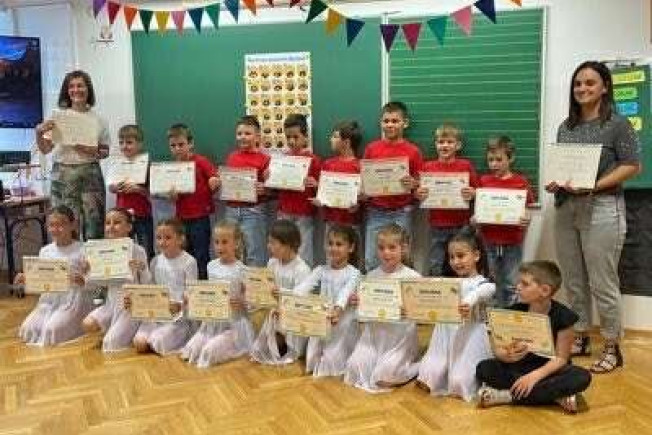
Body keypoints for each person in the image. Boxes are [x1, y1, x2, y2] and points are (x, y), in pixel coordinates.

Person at [545, 61, 641, 373]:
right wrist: (556, 182)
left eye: (590, 83)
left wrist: (594, 185)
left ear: (604, 87)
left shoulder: (617, 124)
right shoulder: (566, 126)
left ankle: (612, 345)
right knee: (573, 278)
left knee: (603, 281)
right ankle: (581, 335)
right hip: (566, 207)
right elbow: (564, 167)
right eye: (578, 84)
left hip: (602, 207)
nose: (582, 89)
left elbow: (632, 165)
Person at [476, 261, 592, 413]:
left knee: (582, 377)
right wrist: (505, 355)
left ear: (544, 290)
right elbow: (499, 349)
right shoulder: (514, 311)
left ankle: (507, 396)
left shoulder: (564, 317)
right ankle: (554, 397)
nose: (518, 287)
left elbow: (561, 359)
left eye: (525, 284)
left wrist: (534, 376)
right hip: (518, 369)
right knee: (484, 368)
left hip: (548, 372)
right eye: (519, 282)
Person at [416, 227, 495, 401]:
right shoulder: (446, 283)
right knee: (429, 374)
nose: (455, 261)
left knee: (460, 382)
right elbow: (424, 289)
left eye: (460, 256)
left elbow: (485, 291)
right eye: (451, 257)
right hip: (443, 337)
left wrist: (469, 301)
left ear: (476, 255)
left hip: (468, 338)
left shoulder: (482, 283)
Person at [345, 223, 421, 393]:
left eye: (392, 247)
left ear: (403, 248)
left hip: (400, 338)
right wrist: (357, 303)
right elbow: (362, 314)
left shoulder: (414, 278)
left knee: (385, 377)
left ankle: (418, 366)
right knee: (354, 368)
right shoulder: (370, 277)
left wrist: (409, 311)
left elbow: (421, 314)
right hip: (374, 336)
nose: (386, 253)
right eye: (381, 248)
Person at [34, 70, 110, 240]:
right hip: (62, 176)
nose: (76, 90)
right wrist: (38, 133)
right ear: (66, 91)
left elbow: (105, 151)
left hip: (90, 174)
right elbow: (46, 149)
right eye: (71, 86)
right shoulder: (57, 117)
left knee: (94, 226)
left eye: (80, 86)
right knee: (64, 226)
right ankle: (68, 258)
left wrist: (91, 150)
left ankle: (93, 258)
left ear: (88, 89)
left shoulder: (99, 119)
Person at [16, 205, 92, 345]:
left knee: (53, 330)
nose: (56, 229)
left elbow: (96, 284)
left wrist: (83, 281)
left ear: (73, 225)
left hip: (74, 299)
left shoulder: (84, 249)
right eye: (52, 225)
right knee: (29, 329)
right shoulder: (45, 251)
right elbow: (42, 281)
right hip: (49, 300)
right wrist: (28, 279)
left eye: (61, 224)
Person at [182, 221, 253, 368]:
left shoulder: (242, 270)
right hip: (213, 322)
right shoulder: (211, 266)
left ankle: (230, 344)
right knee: (191, 350)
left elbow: (250, 300)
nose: (220, 247)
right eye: (216, 242)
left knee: (208, 352)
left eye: (225, 242)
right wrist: (193, 298)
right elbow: (209, 293)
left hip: (234, 323)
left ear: (236, 243)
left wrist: (242, 302)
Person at [363, 101, 423, 271]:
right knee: (371, 260)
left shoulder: (413, 151)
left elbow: (420, 182)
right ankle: (374, 288)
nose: (390, 125)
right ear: (381, 123)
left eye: (395, 121)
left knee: (403, 258)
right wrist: (363, 190)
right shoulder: (371, 149)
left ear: (405, 123)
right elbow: (364, 179)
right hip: (376, 211)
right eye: (386, 121)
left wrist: (414, 183)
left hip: (402, 212)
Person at [294, 225, 361, 377]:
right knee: (312, 360)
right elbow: (302, 288)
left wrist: (337, 310)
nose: (333, 248)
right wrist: (285, 298)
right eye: (330, 243)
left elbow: (345, 293)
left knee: (330, 363)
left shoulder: (354, 273)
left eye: (339, 244)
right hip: (323, 320)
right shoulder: (321, 270)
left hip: (342, 321)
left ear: (350, 248)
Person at [81, 208, 152, 351]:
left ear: (129, 227)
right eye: (108, 223)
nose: (111, 227)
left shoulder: (138, 250)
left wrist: (142, 268)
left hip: (131, 306)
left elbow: (147, 283)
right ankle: (116, 328)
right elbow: (96, 285)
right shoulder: (100, 250)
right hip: (111, 303)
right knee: (87, 324)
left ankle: (136, 327)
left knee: (110, 344)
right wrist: (88, 272)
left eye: (117, 222)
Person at [476, 136, 534, 307]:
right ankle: (494, 314)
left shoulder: (520, 182)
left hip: (512, 240)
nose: (494, 164)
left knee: (511, 281)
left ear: (511, 158)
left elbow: (528, 208)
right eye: (490, 160)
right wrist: (475, 219)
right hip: (489, 239)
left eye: (499, 159)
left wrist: (527, 218)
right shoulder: (483, 181)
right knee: (492, 280)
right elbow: (479, 208)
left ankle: (511, 313)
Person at [415, 123, 478, 276]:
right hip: (437, 224)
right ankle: (436, 289)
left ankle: (463, 289)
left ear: (458, 145)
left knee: (462, 262)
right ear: (435, 144)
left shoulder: (465, 165)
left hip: (461, 224)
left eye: (449, 142)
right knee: (435, 262)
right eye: (441, 142)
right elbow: (417, 192)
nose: (445, 145)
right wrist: (418, 193)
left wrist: (473, 193)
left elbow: (477, 191)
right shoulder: (427, 167)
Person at [130, 218, 198, 354]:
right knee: (139, 343)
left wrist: (180, 305)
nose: (162, 242)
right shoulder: (155, 261)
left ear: (180, 239)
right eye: (159, 238)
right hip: (158, 313)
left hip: (178, 318)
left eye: (167, 238)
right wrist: (143, 270)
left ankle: (182, 335)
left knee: (157, 342)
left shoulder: (189, 261)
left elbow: (192, 293)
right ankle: (157, 335)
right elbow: (151, 287)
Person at [250, 220, 312, 365]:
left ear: (287, 245)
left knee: (277, 333)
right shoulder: (272, 263)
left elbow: (302, 300)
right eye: (269, 242)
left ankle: (286, 344)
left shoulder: (302, 269)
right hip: (275, 312)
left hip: (293, 315)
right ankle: (276, 342)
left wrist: (282, 294)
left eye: (273, 243)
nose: (268, 246)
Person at [166, 124, 220, 279]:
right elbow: (173, 197)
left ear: (190, 143)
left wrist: (214, 180)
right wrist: (172, 195)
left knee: (201, 254)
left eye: (181, 144)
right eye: (173, 146)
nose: (177, 149)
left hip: (200, 218)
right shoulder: (172, 169)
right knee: (185, 255)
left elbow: (214, 177)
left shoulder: (201, 161)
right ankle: (188, 286)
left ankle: (202, 286)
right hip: (181, 218)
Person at [223, 116, 271, 267]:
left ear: (257, 136)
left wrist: (265, 189)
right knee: (233, 252)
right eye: (239, 133)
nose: (242, 137)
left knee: (255, 253)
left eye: (247, 133)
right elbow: (228, 182)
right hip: (231, 211)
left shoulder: (265, 159)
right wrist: (220, 180)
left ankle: (255, 282)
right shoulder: (231, 157)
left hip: (253, 212)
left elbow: (273, 190)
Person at [276, 113, 321, 266]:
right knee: (282, 248)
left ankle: (305, 279)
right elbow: (273, 186)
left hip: (304, 213)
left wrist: (315, 184)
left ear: (305, 136)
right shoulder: (280, 159)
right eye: (288, 137)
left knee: (303, 252)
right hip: (284, 211)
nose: (291, 141)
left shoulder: (313, 160)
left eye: (296, 137)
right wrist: (269, 176)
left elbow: (322, 189)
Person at [312, 121, 363, 243]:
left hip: (351, 223)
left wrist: (358, 204)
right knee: (331, 253)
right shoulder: (328, 164)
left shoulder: (360, 166)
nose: (330, 139)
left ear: (346, 142)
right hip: (331, 222)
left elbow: (363, 196)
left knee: (352, 253)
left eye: (335, 136)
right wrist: (318, 194)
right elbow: (323, 193)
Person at [110, 125, 154, 259]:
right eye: (121, 142)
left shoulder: (146, 164)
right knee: (123, 251)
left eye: (129, 142)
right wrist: (115, 188)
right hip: (122, 215)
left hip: (142, 214)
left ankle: (146, 272)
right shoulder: (116, 164)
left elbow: (152, 192)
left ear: (139, 144)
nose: (124, 146)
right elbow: (111, 188)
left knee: (146, 250)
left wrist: (138, 189)